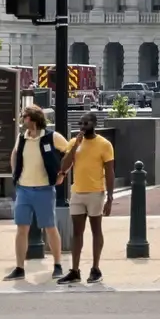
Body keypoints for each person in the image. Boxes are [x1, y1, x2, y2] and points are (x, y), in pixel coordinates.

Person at [4, 103, 68, 282]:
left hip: (44, 189)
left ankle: (57, 265)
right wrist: (15, 174)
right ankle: (19, 267)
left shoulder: (51, 137)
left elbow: (70, 152)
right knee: (21, 228)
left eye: (24, 117)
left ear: (32, 119)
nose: (22, 120)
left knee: (49, 227)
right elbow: (14, 154)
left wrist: (62, 173)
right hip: (23, 189)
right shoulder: (22, 137)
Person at [59, 112, 115, 283]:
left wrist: (110, 198)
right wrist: (75, 146)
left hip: (95, 193)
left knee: (96, 230)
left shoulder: (104, 144)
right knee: (77, 232)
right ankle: (75, 270)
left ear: (94, 124)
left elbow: (110, 172)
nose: (83, 127)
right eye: (81, 123)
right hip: (77, 192)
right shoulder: (74, 142)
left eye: (86, 123)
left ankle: (95, 268)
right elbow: (64, 166)